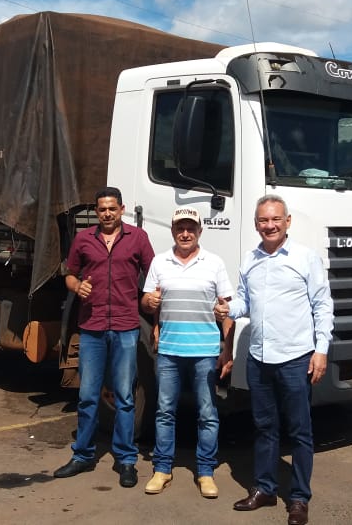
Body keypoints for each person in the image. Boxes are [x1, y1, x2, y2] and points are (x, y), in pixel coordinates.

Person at [214, 194, 333, 525]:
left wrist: (321, 349)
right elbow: (245, 303)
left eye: (275, 220)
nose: (269, 226)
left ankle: (298, 498)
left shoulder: (305, 258)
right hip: (259, 358)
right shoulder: (250, 260)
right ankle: (265, 489)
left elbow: (323, 305)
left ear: (287, 222)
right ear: (256, 225)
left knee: (299, 431)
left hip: (296, 358)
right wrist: (228, 309)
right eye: (263, 221)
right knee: (264, 427)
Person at [54, 186, 155, 488]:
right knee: (87, 396)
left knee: (124, 397)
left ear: (122, 209)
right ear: (96, 212)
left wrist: (154, 306)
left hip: (125, 326)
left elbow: (154, 273)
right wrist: (76, 287)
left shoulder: (137, 238)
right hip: (92, 327)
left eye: (112, 208)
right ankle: (82, 456)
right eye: (102, 209)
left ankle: (126, 460)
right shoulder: (84, 239)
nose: (107, 213)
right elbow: (70, 273)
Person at [139, 206, 234, 499]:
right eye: (180, 228)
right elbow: (147, 300)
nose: (185, 233)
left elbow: (228, 309)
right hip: (169, 350)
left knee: (207, 413)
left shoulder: (214, 263)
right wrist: (150, 307)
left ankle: (205, 472)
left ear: (199, 232)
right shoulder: (160, 262)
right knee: (165, 411)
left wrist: (227, 351)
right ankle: (162, 469)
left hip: (205, 350)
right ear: (172, 231)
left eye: (190, 228)